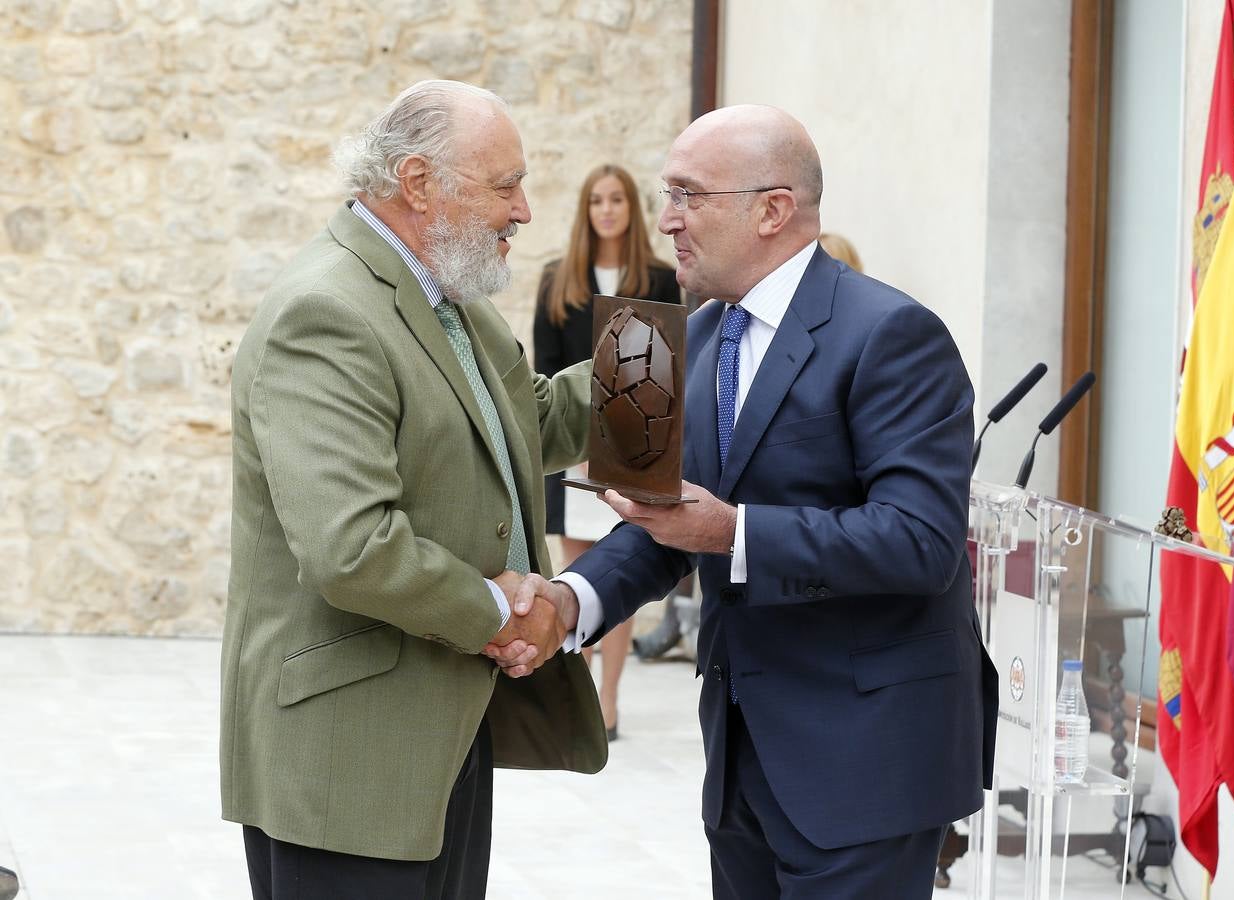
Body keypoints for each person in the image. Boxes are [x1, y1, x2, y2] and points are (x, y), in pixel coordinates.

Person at [490, 105, 998, 898]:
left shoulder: (893, 334)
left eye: (689, 195)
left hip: (865, 765)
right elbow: (660, 523)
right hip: (739, 763)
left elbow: (920, 543)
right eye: (667, 195)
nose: (666, 221)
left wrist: (736, 533)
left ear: (773, 209)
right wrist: (569, 598)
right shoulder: (669, 341)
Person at [220, 80, 606, 900]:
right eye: (505, 185)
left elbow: (529, 420)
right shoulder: (324, 314)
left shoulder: (448, 298)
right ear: (420, 184)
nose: (524, 210)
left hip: (439, 733)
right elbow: (350, 547)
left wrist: (683, 356)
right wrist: (502, 612)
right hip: (346, 764)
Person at [532, 164, 681, 740]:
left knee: (623, 567)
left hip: (637, 448)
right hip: (576, 448)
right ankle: (577, 695)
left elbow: (672, 363)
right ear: (586, 210)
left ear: (630, 208)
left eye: (617, 199)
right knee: (580, 573)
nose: (608, 209)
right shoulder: (557, 278)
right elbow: (545, 374)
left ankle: (608, 700)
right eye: (597, 200)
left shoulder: (661, 278)